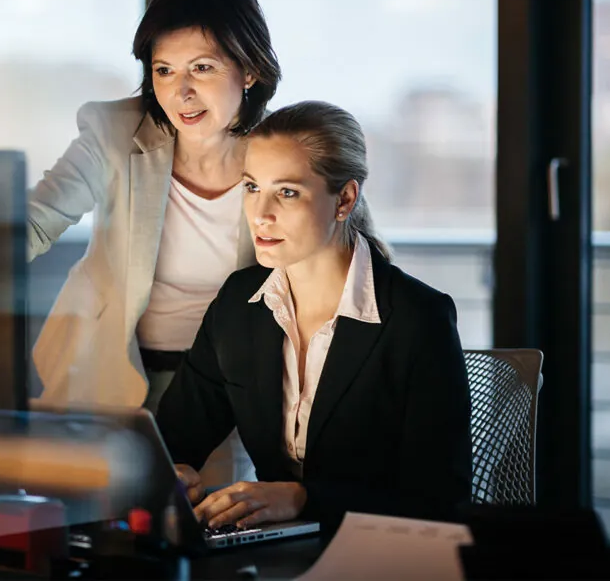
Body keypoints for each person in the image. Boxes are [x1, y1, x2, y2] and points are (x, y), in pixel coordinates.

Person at [156, 101, 473, 531]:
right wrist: (170, 472)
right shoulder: (238, 305)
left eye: (287, 192)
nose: (260, 214)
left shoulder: (418, 319)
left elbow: (440, 500)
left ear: (344, 199)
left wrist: (305, 499)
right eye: (251, 188)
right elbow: (173, 439)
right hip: (274, 557)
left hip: (379, 559)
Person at [27, 0, 280, 428]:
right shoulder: (113, 133)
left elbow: (359, 259)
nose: (180, 92)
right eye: (164, 70)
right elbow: (36, 222)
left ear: (250, 70)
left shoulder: (286, 151)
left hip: (234, 387)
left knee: (213, 500)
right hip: (105, 369)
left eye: (202, 68)